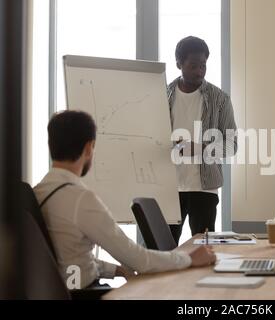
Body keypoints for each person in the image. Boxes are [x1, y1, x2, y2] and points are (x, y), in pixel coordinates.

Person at [34, 110, 216, 289]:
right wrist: (190, 258)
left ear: (51, 145)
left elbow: (67, 255)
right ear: (89, 148)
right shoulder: (81, 199)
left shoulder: (38, 192)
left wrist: (115, 270)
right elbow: (138, 259)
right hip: (85, 293)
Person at [167, 36, 237, 244]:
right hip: (168, 187)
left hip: (204, 188)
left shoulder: (220, 99)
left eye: (203, 65)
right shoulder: (162, 96)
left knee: (204, 250)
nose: (199, 71)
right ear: (179, 63)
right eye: (193, 66)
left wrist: (200, 148)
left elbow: (231, 145)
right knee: (163, 251)